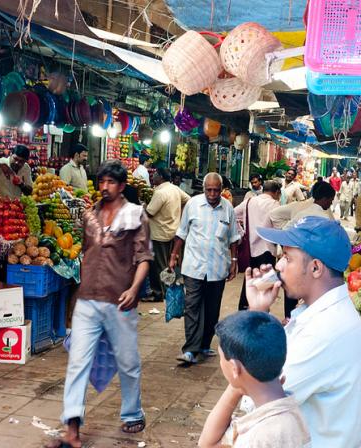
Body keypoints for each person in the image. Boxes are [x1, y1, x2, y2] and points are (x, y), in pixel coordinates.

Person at [50, 160, 151, 448]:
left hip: (120, 300)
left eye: (110, 182)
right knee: (77, 362)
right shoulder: (88, 216)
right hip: (88, 300)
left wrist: (134, 289)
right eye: (101, 181)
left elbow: (143, 257)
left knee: (128, 362)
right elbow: (86, 251)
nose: (104, 187)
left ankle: (132, 412)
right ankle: (72, 428)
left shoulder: (135, 215)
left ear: (121, 187)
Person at [245, 217, 361, 447]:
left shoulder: (323, 332)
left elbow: (259, 401)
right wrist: (259, 310)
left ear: (315, 268)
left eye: (287, 258)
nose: (278, 266)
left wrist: (254, 315)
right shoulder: (318, 313)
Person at [198, 311, 311, 448]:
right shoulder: (289, 414)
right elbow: (208, 444)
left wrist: (238, 381)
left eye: (221, 359)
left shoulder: (256, 439)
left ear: (234, 367)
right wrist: (238, 385)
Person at [169, 173, 240, 364]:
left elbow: (234, 237)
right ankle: (190, 349)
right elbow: (181, 233)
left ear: (222, 189)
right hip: (193, 265)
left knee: (211, 309)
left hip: (217, 267)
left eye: (216, 190)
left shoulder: (228, 209)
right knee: (192, 306)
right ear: (204, 189)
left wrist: (234, 260)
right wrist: (174, 255)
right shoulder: (192, 205)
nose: (212, 194)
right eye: (209, 189)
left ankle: (204, 344)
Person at [145, 167, 190, 302]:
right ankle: (166, 290)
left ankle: (159, 293)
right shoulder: (174, 189)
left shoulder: (161, 193)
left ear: (161, 176)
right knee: (167, 264)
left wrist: (141, 208)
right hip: (172, 231)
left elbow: (149, 213)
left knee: (159, 265)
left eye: (155, 174)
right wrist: (180, 215)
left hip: (159, 233)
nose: (153, 177)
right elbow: (188, 199)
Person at [235, 180, 281, 310]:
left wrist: (241, 231)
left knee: (249, 280)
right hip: (268, 250)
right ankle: (262, 310)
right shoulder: (275, 204)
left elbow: (232, 214)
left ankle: (244, 308)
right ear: (277, 192)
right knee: (265, 286)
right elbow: (279, 227)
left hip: (251, 248)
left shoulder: (249, 201)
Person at [268, 182, 335, 230]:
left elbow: (285, 228)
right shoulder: (325, 217)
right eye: (331, 200)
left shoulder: (299, 211)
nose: (331, 203)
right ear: (325, 199)